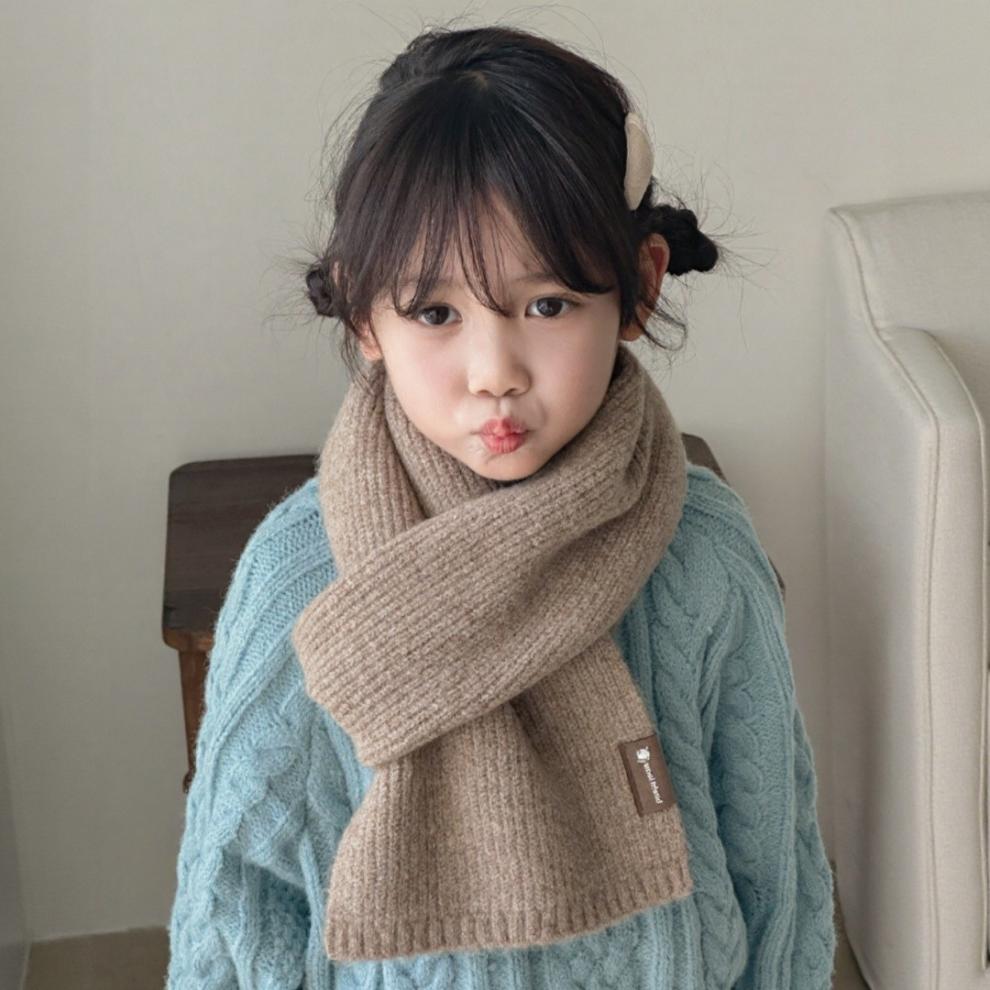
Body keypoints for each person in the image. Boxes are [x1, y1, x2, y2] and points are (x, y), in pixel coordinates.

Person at [165, 22, 836, 990]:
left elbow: (778, 873)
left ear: (640, 287)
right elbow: (231, 917)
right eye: (436, 313)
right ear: (363, 315)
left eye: (548, 304)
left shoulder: (703, 552)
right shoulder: (299, 579)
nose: (495, 372)